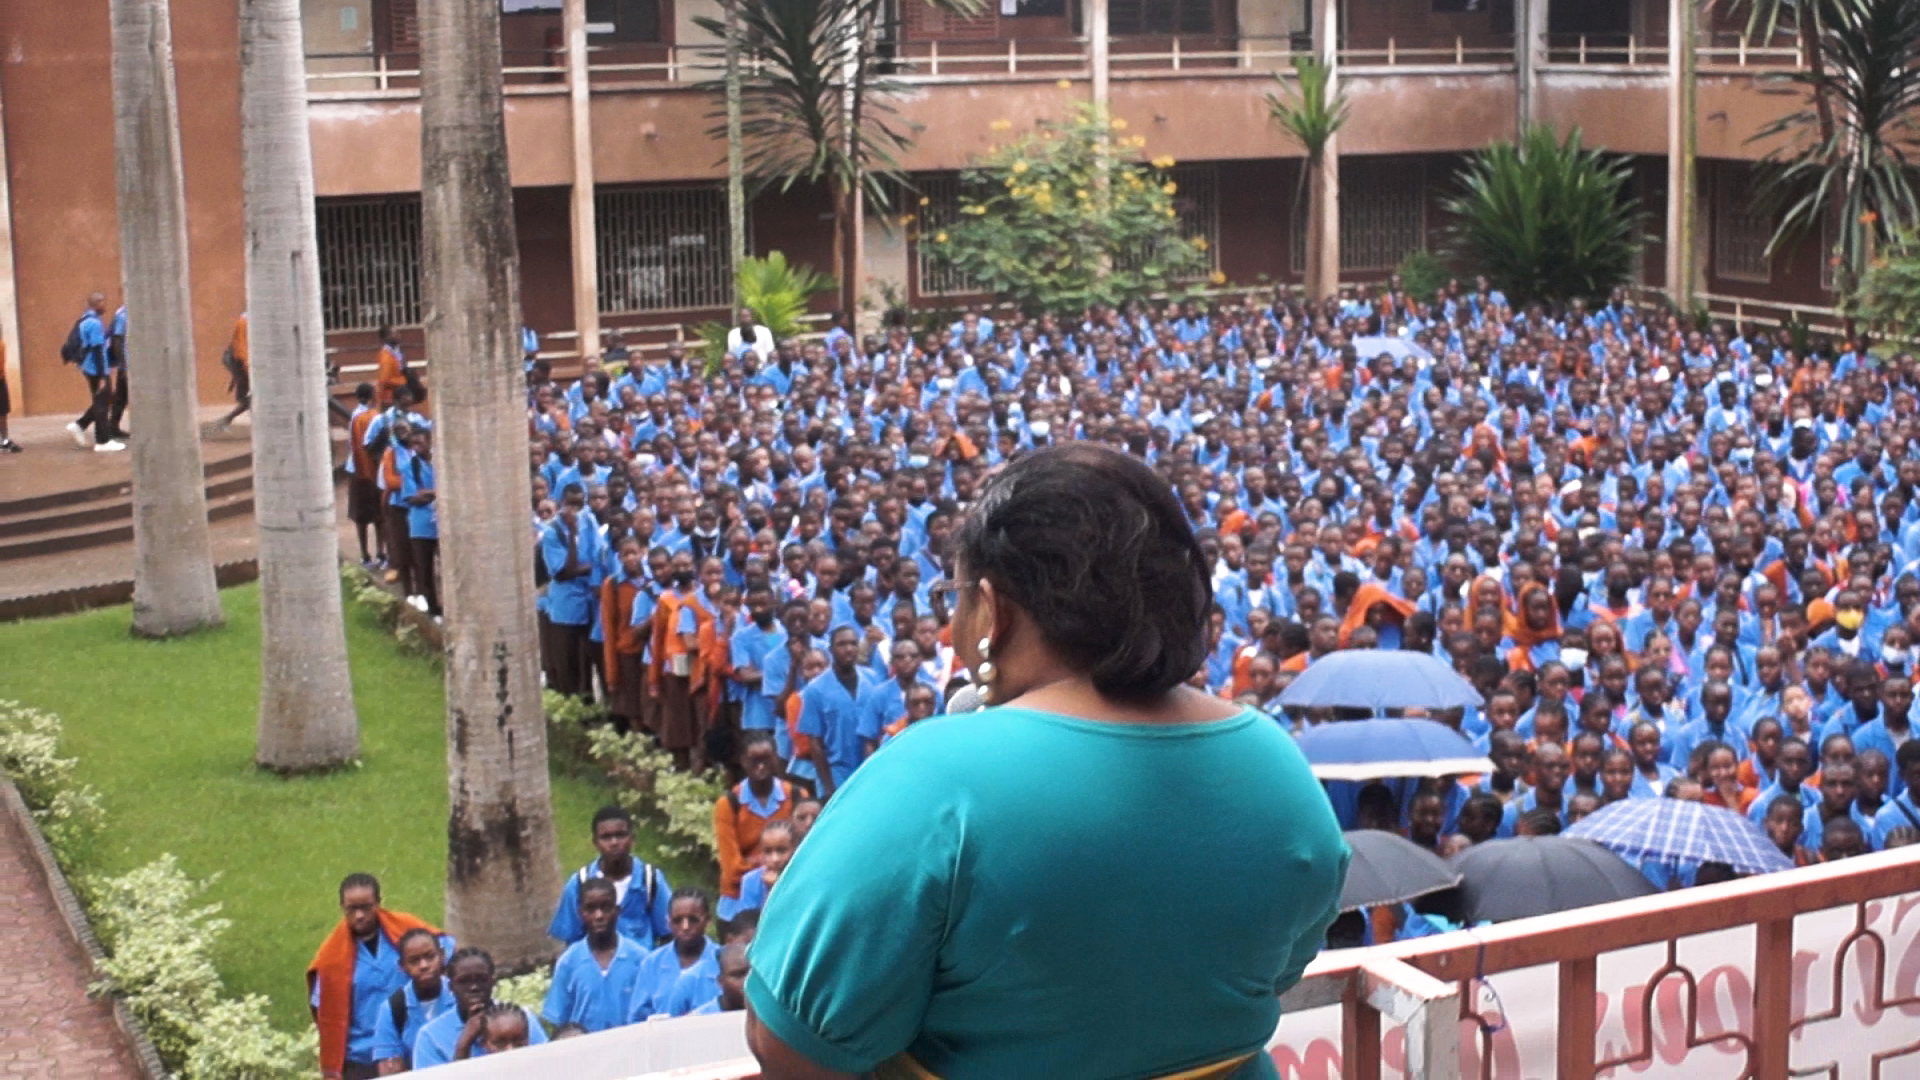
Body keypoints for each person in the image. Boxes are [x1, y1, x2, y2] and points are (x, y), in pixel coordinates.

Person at [743, 445, 1349, 1078]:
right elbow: (1273, 970)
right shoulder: (1277, 765)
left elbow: (788, 1039)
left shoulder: (932, 776)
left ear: (992, 609)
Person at [306, 873, 446, 1080]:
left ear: (379, 903)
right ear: (342, 907)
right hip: (363, 1058)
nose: (359, 915)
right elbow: (325, 1011)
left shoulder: (406, 929)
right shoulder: (332, 958)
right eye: (352, 909)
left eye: (366, 907)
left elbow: (447, 952)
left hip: (414, 1046)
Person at [549, 806, 673, 947]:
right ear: (595, 843)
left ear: (632, 839)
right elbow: (572, 940)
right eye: (606, 837)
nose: (614, 843)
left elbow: (669, 934)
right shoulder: (579, 884)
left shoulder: (650, 880)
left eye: (620, 835)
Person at [542, 878, 649, 1034]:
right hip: (584, 1051)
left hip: (631, 1049)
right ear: (580, 913)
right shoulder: (568, 962)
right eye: (590, 909)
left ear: (617, 911)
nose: (599, 916)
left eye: (606, 908)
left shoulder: (640, 959)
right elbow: (558, 1021)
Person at [410, 948, 548, 1068]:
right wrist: (464, 1043)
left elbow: (548, 1065)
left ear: (493, 982)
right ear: (451, 987)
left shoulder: (522, 1018)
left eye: (481, 979)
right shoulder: (430, 1037)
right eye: (464, 981)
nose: (474, 987)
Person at [714, 731, 795, 922]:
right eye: (754, 760)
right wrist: (774, 865)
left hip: (788, 889)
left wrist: (754, 861)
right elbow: (732, 869)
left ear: (776, 758)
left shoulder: (796, 796)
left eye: (767, 759)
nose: (761, 766)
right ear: (743, 761)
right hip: (737, 897)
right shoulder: (729, 804)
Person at [797, 625, 880, 797]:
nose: (848, 649)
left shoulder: (872, 679)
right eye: (842, 644)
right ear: (831, 650)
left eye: (853, 643)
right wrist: (828, 787)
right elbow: (815, 743)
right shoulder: (815, 690)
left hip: (869, 767)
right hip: (837, 770)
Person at [627, 886, 718, 1021]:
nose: (685, 927)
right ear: (668, 922)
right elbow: (637, 1018)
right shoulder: (651, 964)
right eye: (677, 921)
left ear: (708, 921)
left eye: (693, 920)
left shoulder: (722, 960)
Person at [370, 929, 453, 1074]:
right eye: (414, 961)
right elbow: (388, 1070)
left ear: (442, 955)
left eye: (430, 957)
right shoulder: (393, 1009)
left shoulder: (459, 997)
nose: (424, 966)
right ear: (402, 966)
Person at [64, 292, 123, 452]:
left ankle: (80, 425)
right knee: (102, 403)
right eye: (102, 303)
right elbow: (97, 349)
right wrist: (103, 375)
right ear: (96, 304)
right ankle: (102, 441)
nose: (105, 306)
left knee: (103, 400)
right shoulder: (94, 323)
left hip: (90, 368)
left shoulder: (87, 320)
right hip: (96, 369)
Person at [400, 428, 440, 617]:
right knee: (424, 571)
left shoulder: (440, 464)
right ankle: (433, 609)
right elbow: (411, 497)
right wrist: (435, 493)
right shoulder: (410, 467)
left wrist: (426, 492)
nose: (416, 448)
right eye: (413, 444)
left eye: (420, 443)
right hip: (420, 526)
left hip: (441, 525)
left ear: (429, 442)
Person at [733, 819, 796, 916]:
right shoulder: (750, 881)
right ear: (760, 853)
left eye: (781, 851)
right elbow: (750, 924)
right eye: (767, 851)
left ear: (795, 849)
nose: (775, 859)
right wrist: (770, 891)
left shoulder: (802, 878)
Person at [689, 944, 751, 1015]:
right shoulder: (699, 1019)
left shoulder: (765, 1014)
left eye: (752, 973)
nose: (747, 980)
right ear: (720, 981)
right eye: (738, 975)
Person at [219, 311, 251, 429]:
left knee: (250, 398)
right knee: (249, 398)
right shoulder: (244, 322)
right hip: (236, 360)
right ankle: (225, 420)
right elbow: (240, 350)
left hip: (240, 361)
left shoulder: (247, 321)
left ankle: (226, 420)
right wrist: (247, 369)